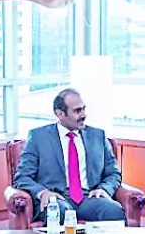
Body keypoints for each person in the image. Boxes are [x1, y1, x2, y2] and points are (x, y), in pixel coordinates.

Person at [13, 88, 125, 223]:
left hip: (89, 197)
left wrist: (104, 189)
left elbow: (113, 173)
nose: (83, 115)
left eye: (84, 109)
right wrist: (43, 193)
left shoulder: (98, 136)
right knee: (59, 211)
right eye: (77, 111)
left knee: (113, 210)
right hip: (57, 198)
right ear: (60, 114)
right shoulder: (38, 137)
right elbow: (22, 177)